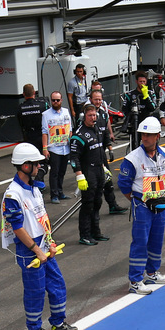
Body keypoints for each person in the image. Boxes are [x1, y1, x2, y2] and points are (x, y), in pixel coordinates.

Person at [1, 144, 78, 330]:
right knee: (35, 291)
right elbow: (17, 228)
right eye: (36, 164)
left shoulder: (34, 188)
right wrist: (36, 250)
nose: (39, 167)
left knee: (57, 284)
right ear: (25, 166)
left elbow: (42, 218)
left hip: (43, 244)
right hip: (29, 248)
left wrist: (50, 243)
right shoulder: (13, 194)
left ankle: (58, 324)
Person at [118, 117, 165, 295]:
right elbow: (123, 184)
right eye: (143, 134)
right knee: (140, 242)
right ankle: (135, 281)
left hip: (161, 205)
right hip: (142, 206)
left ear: (158, 136)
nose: (145, 138)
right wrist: (138, 201)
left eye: (149, 135)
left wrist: (162, 197)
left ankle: (152, 273)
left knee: (156, 240)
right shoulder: (132, 158)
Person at [69, 105, 110, 246]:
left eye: (95, 115)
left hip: (99, 169)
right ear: (84, 116)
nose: (93, 118)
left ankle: (95, 232)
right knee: (88, 204)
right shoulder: (78, 135)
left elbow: (99, 150)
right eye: (90, 115)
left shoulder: (97, 129)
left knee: (98, 202)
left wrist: (104, 168)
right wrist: (79, 176)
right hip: (87, 172)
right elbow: (73, 157)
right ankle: (85, 235)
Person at [88, 89, 127, 215]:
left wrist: (110, 148)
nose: (98, 102)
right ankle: (92, 211)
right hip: (90, 157)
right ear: (90, 100)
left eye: (100, 99)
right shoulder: (85, 116)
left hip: (101, 153)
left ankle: (113, 205)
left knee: (108, 180)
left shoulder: (104, 115)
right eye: (95, 99)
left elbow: (105, 134)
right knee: (94, 186)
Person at [41, 92, 72, 203]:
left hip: (65, 147)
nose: (55, 102)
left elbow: (70, 130)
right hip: (53, 148)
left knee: (62, 171)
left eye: (57, 100)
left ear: (61, 100)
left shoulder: (66, 112)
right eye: (53, 100)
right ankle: (54, 194)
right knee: (54, 172)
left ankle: (60, 192)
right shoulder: (46, 114)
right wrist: (45, 148)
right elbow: (44, 132)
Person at [17, 84, 45, 152]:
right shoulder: (42, 105)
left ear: (24, 94)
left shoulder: (20, 107)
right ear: (34, 92)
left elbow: (20, 123)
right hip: (41, 135)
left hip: (28, 136)